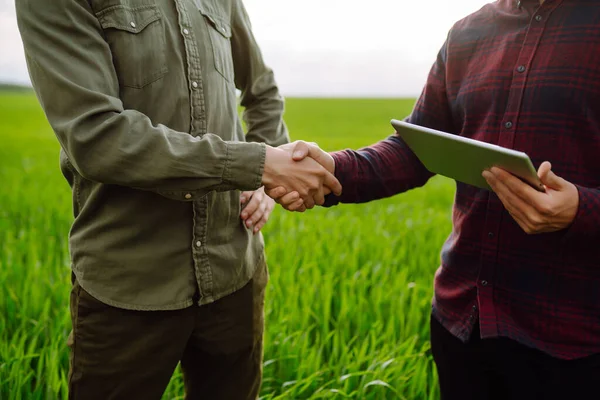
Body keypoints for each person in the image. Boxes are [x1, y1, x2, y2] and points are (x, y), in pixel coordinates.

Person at [273, 0, 600, 398]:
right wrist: (333, 169)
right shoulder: (467, 33)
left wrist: (581, 211)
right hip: (462, 322)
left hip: (574, 338)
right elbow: (415, 148)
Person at [16, 0, 340, 398]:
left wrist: (263, 176)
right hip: (130, 285)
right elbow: (97, 138)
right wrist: (258, 164)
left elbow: (262, 90)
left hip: (236, 269)